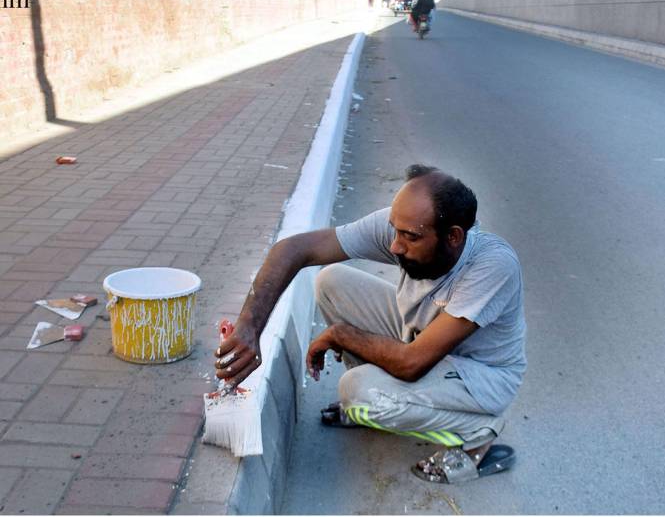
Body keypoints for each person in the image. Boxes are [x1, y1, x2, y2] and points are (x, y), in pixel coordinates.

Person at [215, 164, 526, 484]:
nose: (395, 246)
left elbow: (412, 363)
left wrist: (341, 334)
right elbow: (295, 249)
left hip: (478, 378)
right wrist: (249, 329)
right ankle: (386, 403)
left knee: (357, 393)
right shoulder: (404, 224)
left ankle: (477, 434)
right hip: (419, 339)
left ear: (454, 237)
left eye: (411, 238)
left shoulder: (492, 266)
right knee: (331, 281)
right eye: (395, 230)